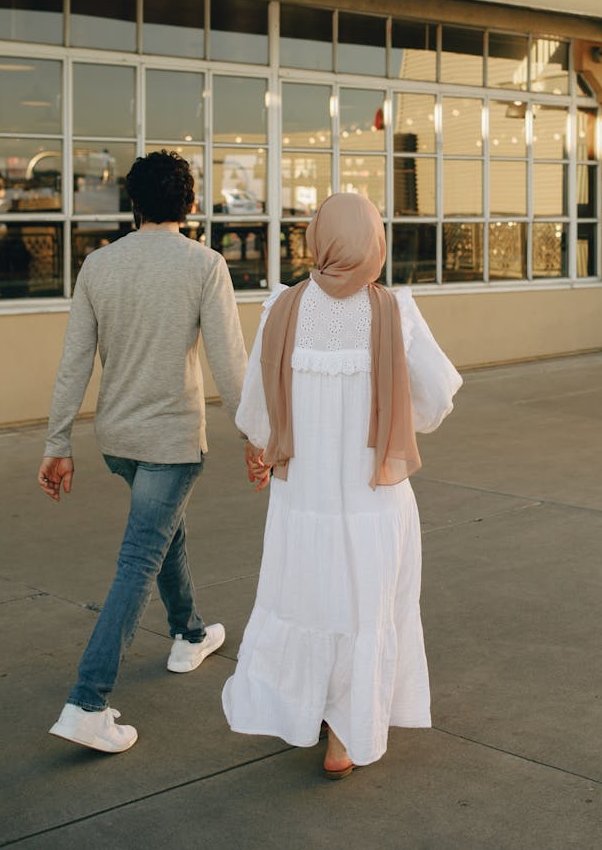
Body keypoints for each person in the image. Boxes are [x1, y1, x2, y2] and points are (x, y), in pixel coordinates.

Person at [222, 193, 462, 778]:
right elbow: (434, 404)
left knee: (308, 603)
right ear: (373, 241)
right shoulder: (394, 311)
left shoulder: (282, 309)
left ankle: (310, 715)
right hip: (374, 501)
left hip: (301, 498)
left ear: (318, 238)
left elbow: (256, 416)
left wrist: (266, 443)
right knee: (367, 609)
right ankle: (345, 734)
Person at [37, 150, 253, 754]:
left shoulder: (97, 266)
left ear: (133, 204)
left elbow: (73, 362)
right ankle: (87, 700)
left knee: (162, 530)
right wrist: (256, 438)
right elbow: (230, 365)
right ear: (188, 204)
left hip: (118, 441)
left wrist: (59, 443)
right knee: (140, 557)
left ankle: (188, 634)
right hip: (171, 442)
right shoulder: (205, 265)